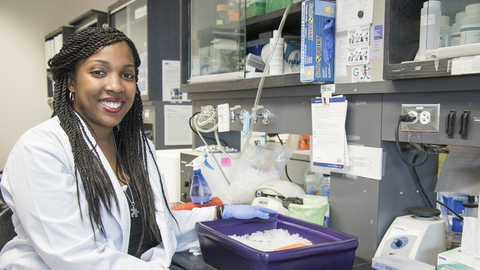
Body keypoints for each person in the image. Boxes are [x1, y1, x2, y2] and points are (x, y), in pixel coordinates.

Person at [0, 27, 276, 269]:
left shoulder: (135, 146)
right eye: (98, 72)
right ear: (71, 81)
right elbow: (73, 255)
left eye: (127, 75)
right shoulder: (40, 150)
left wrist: (219, 215)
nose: (116, 86)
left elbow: (155, 227)